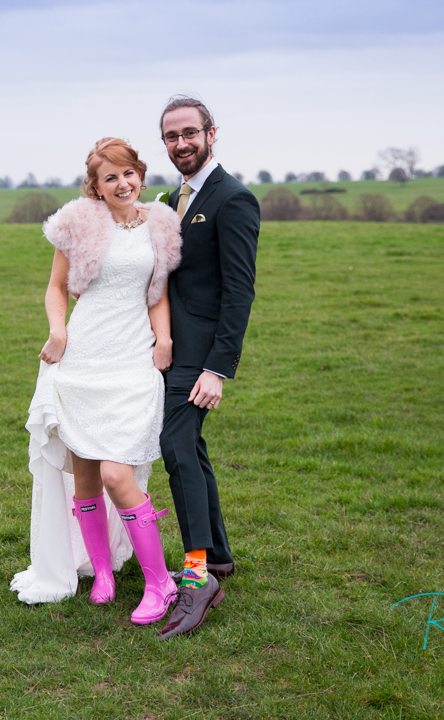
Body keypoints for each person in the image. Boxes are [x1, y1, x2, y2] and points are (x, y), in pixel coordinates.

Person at [11, 138, 184, 626]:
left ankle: (160, 583)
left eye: (128, 173)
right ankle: (102, 572)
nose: (122, 183)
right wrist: (58, 330)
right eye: (110, 178)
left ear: (140, 175)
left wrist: (164, 341)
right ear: (97, 186)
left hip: (132, 360)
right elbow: (56, 286)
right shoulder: (80, 225)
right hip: (83, 358)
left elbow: (158, 294)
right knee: (84, 472)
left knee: (116, 473)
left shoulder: (161, 225)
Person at [155, 96, 261, 640]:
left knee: (175, 448)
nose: (181, 144)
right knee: (190, 449)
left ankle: (197, 579)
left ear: (211, 134)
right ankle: (216, 557)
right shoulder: (172, 198)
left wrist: (217, 369)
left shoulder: (233, 199)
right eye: (171, 137)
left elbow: (239, 292)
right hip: (169, 349)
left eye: (190, 133)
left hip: (200, 357)